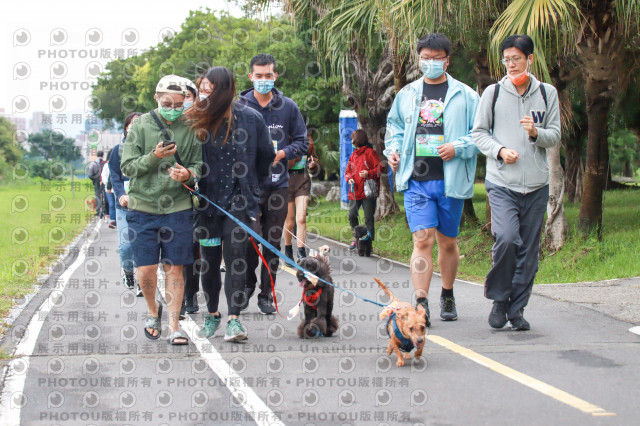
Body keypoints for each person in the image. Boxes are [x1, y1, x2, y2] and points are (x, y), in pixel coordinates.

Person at [384, 33, 480, 326]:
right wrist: (394, 150)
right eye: (425, 58)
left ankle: (447, 294)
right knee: (422, 239)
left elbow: (480, 135)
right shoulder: (408, 94)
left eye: (437, 58)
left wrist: (458, 147)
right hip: (417, 179)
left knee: (447, 242)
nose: (431, 63)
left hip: (450, 179)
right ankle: (421, 301)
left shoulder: (466, 96)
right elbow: (394, 128)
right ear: (419, 59)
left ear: (447, 60)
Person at [472, 34, 561, 331]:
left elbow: (555, 135)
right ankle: (500, 298)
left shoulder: (547, 93)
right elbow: (479, 133)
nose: (510, 64)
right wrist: (499, 150)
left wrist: (536, 133)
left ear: (530, 60)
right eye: (506, 59)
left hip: (537, 185)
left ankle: (517, 310)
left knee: (529, 251)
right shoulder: (493, 94)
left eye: (516, 59)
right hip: (502, 183)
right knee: (508, 238)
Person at [187, 66, 275, 340]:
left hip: (239, 204)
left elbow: (265, 157)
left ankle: (235, 320)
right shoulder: (195, 120)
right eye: (201, 90)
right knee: (209, 261)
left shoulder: (250, 118)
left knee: (237, 258)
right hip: (206, 205)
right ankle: (212, 314)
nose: (204, 95)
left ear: (224, 90)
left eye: (209, 90)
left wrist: (251, 189)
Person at [121, 75, 203, 345]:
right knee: (145, 270)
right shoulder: (140, 126)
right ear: (156, 98)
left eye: (179, 104)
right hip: (142, 207)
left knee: (175, 268)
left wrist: (187, 174)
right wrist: (153, 157)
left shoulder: (190, 126)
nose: (173, 108)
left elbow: (198, 165)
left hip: (177, 207)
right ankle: (151, 311)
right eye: (167, 102)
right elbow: (128, 167)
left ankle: (174, 325)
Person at [237, 53, 308, 314]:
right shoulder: (239, 106)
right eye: (259, 76)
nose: (264, 80)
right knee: (248, 240)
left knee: (271, 241)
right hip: (247, 187)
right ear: (250, 77)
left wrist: (282, 154)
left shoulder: (288, 106)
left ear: (275, 76)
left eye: (268, 75)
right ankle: (247, 285)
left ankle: (267, 293)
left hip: (278, 186)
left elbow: (302, 142)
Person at [109, 111, 143, 295]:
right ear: (126, 128)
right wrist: (121, 194)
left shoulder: (150, 149)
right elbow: (114, 176)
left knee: (143, 243)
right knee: (127, 245)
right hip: (124, 205)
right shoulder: (117, 150)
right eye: (132, 125)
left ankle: (141, 282)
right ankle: (127, 270)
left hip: (145, 205)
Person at [284, 131, 319, 261]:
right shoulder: (284, 136)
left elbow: (314, 158)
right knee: (289, 221)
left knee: (302, 218)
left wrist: (312, 165)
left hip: (302, 180)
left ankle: (301, 252)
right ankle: (288, 250)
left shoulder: (307, 138)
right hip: (286, 181)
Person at [345, 129, 380, 250]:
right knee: (351, 215)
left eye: (353, 138)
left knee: (368, 218)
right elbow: (347, 171)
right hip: (355, 191)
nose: (352, 141)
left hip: (368, 191)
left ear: (357, 139)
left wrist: (369, 173)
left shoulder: (370, 153)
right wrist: (349, 178)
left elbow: (380, 168)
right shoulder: (354, 154)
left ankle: (368, 243)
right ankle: (356, 237)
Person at [88, 150, 106, 218]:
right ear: (103, 155)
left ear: (97, 155)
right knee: (104, 195)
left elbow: (90, 174)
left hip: (96, 181)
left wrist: (94, 180)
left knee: (97, 196)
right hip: (104, 181)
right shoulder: (105, 163)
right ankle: (105, 210)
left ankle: (98, 211)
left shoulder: (93, 163)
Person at [101, 149, 116, 228]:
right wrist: (108, 185)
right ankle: (113, 220)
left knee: (118, 205)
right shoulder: (106, 165)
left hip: (117, 188)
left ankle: (117, 220)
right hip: (109, 189)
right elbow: (104, 176)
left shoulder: (117, 164)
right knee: (111, 204)